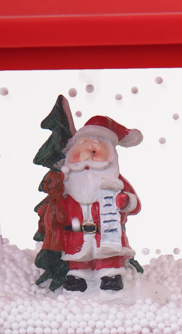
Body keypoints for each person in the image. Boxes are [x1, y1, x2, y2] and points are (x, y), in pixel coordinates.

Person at [36, 115, 142, 292]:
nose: (86, 157)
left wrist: (125, 202)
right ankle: (77, 277)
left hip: (106, 232)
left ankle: (111, 275)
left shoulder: (114, 181)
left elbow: (135, 205)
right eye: (81, 152)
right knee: (77, 256)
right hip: (75, 234)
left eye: (94, 152)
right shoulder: (66, 181)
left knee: (108, 256)